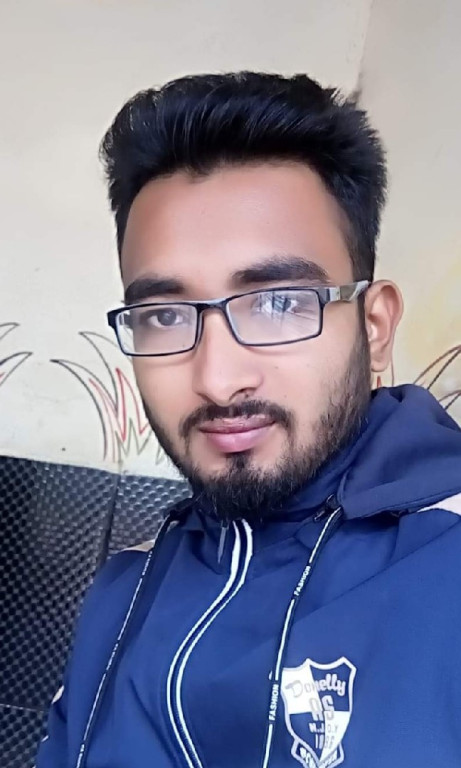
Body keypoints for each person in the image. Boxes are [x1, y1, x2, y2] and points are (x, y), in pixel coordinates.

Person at [36, 72, 461, 768]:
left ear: (375, 327)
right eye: (164, 315)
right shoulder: (125, 590)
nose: (216, 378)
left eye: (278, 303)